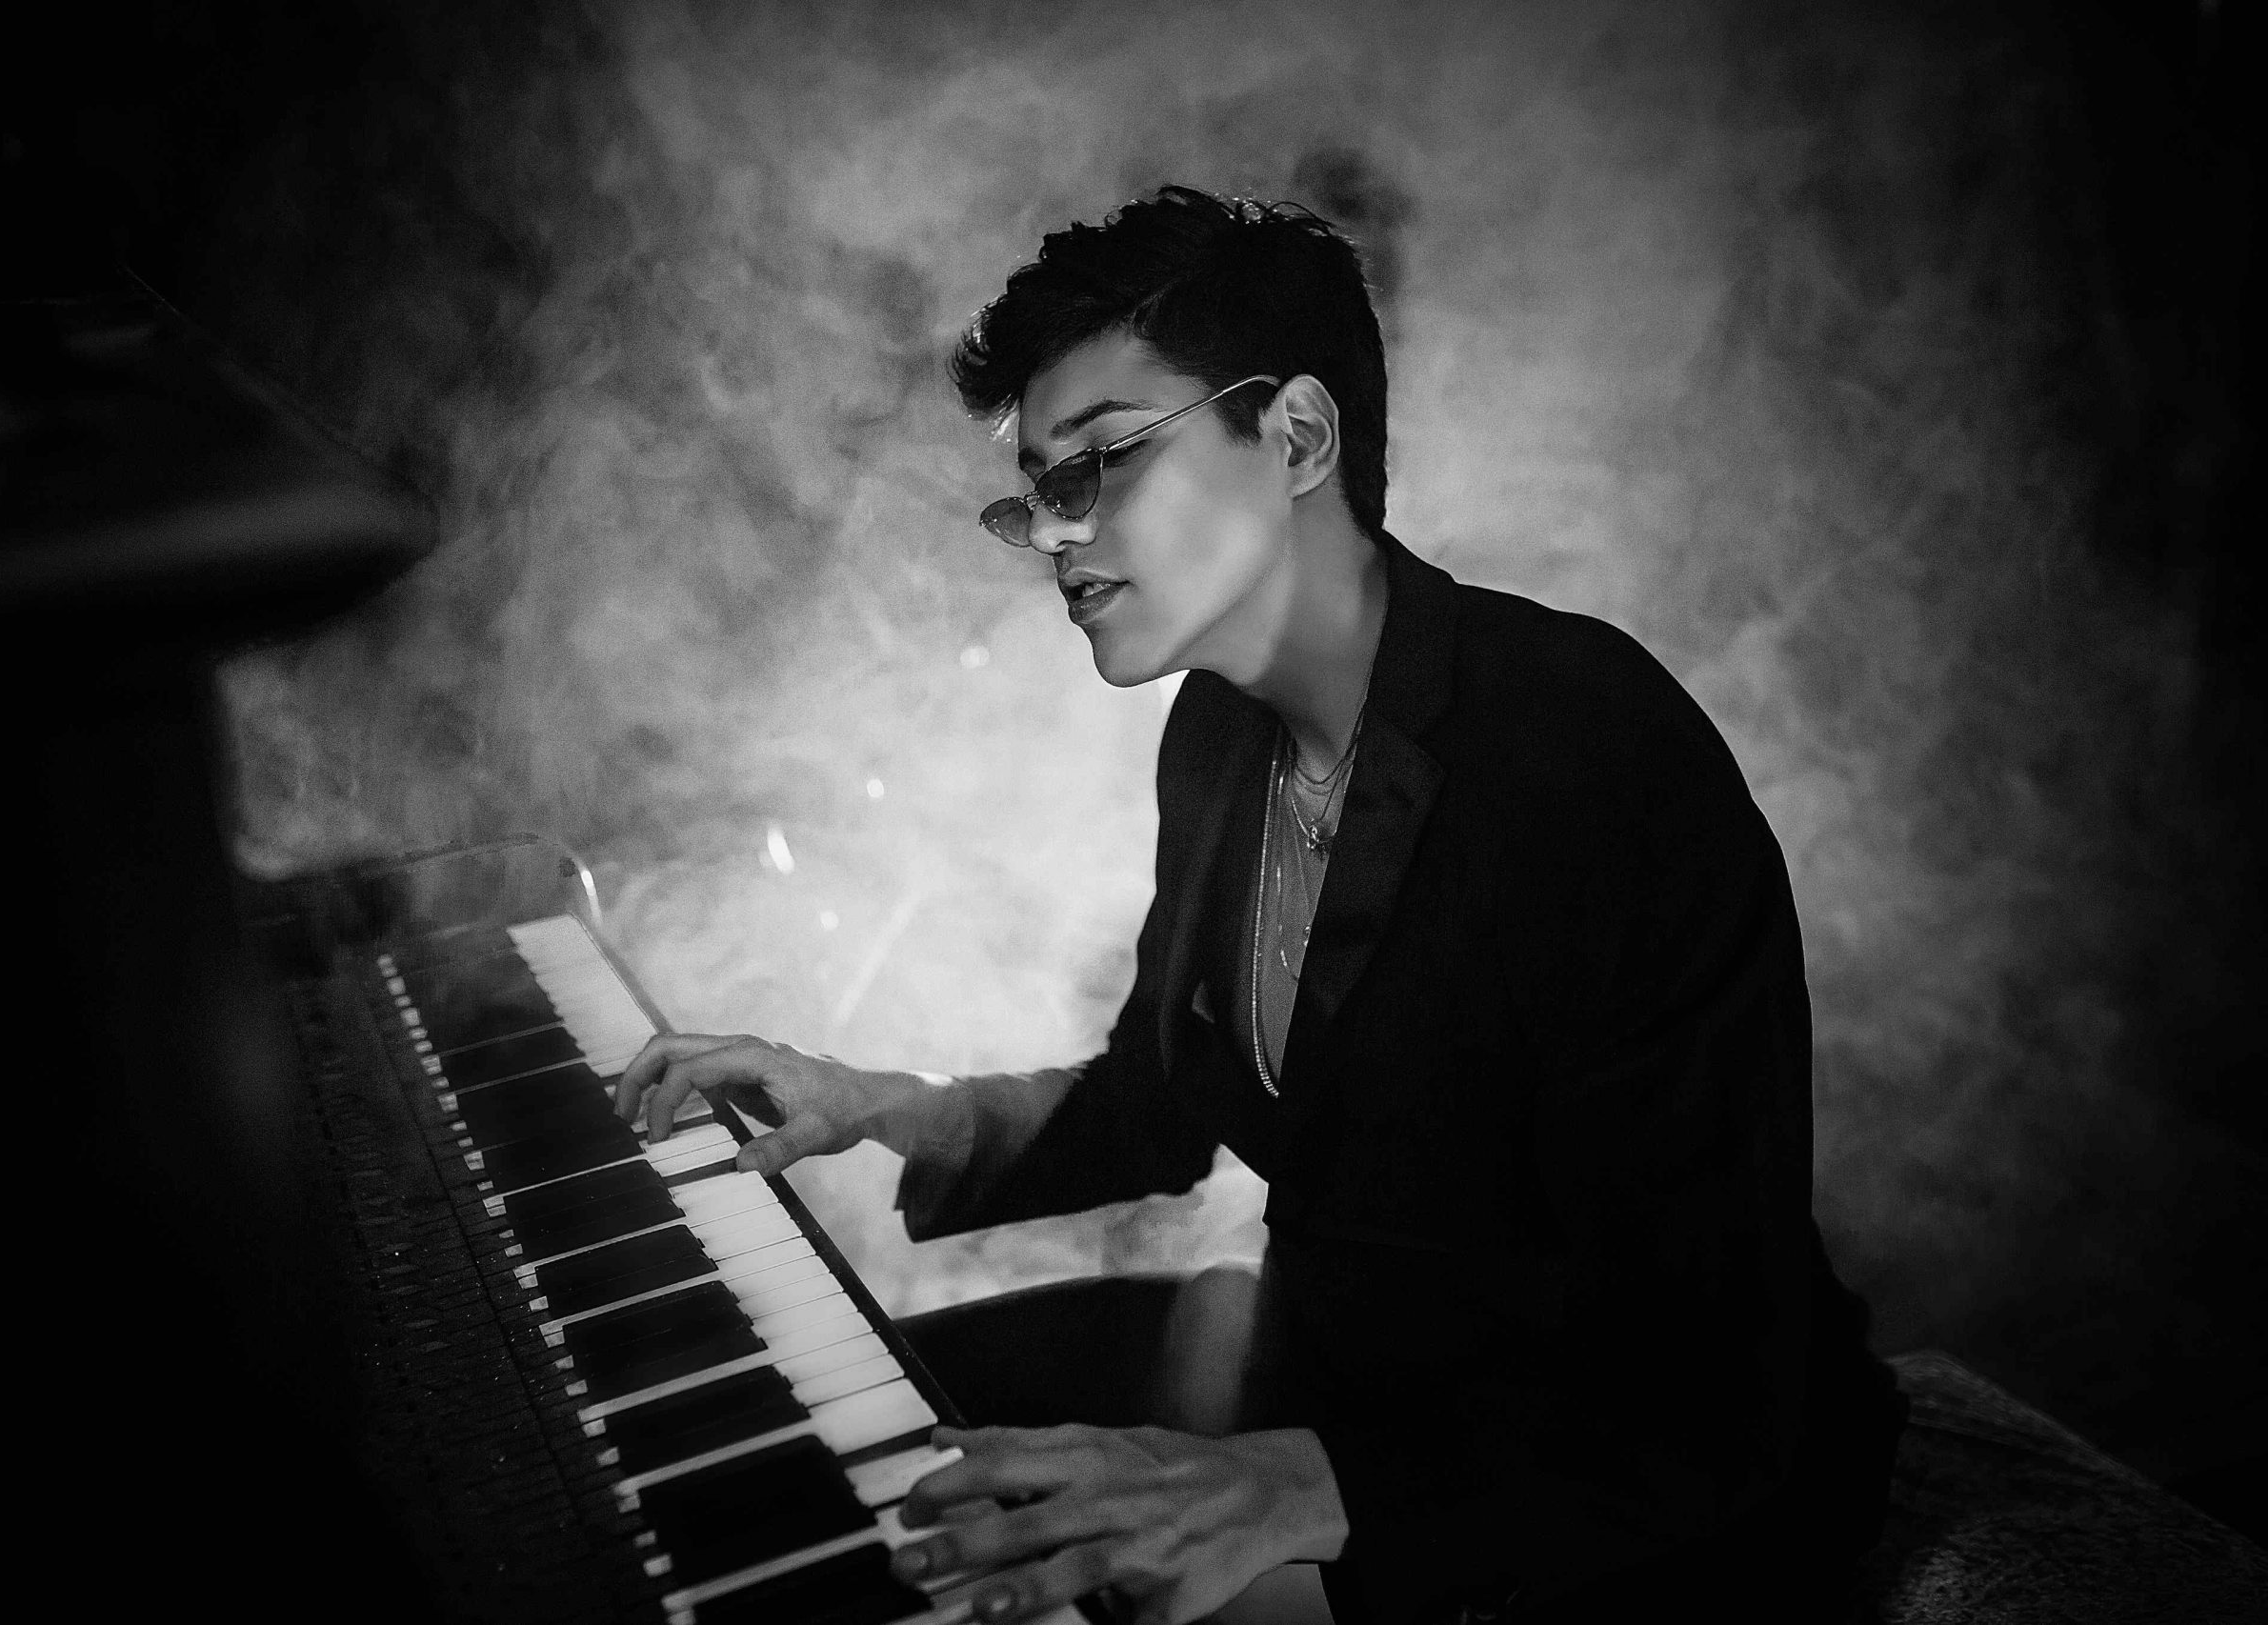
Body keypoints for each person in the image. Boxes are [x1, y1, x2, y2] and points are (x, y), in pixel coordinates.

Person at [616, 186, 1906, 1625]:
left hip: (1622, 1477)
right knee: (802, 1460)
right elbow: (1160, 1103)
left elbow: (1712, 1376)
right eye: (1038, 492)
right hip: (1344, 1373)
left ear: (1296, 436)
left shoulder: (1593, 747)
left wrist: (1297, 1486)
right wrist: (886, 1104)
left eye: (1100, 461)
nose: (1057, 536)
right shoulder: (1218, 733)